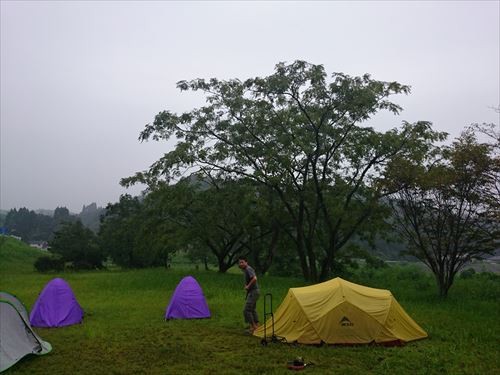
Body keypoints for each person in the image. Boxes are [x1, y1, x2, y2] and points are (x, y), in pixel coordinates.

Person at [238, 256, 260, 334]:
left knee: (246, 310)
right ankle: (256, 325)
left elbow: (254, 278)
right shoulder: (245, 270)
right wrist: (247, 286)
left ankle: (253, 327)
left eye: (242, 262)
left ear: (246, 262)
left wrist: (248, 286)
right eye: (239, 262)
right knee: (252, 309)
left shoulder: (248, 269)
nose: (240, 264)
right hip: (253, 292)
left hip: (254, 292)